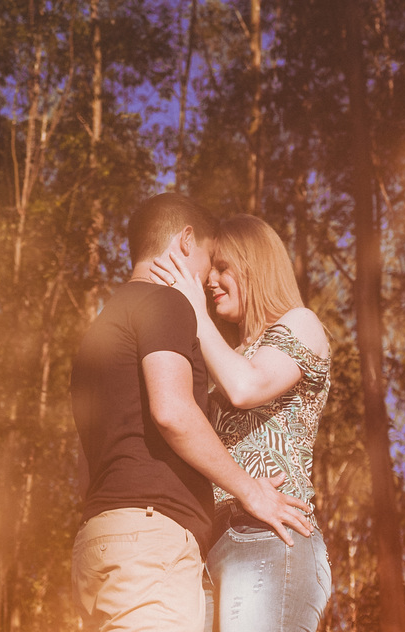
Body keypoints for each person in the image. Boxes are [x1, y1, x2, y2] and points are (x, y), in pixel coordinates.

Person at [71, 193, 312, 632]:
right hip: (149, 541)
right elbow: (173, 412)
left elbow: (86, 463)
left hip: (99, 542)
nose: (208, 279)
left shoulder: (101, 329)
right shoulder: (165, 303)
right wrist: (250, 490)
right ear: (185, 242)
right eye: (209, 260)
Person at [152, 214, 332, 632]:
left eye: (222, 268)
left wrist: (194, 310)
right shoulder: (230, 355)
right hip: (210, 547)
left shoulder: (301, 323)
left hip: (269, 537)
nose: (210, 281)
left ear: (255, 266)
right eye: (209, 271)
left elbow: (246, 387)